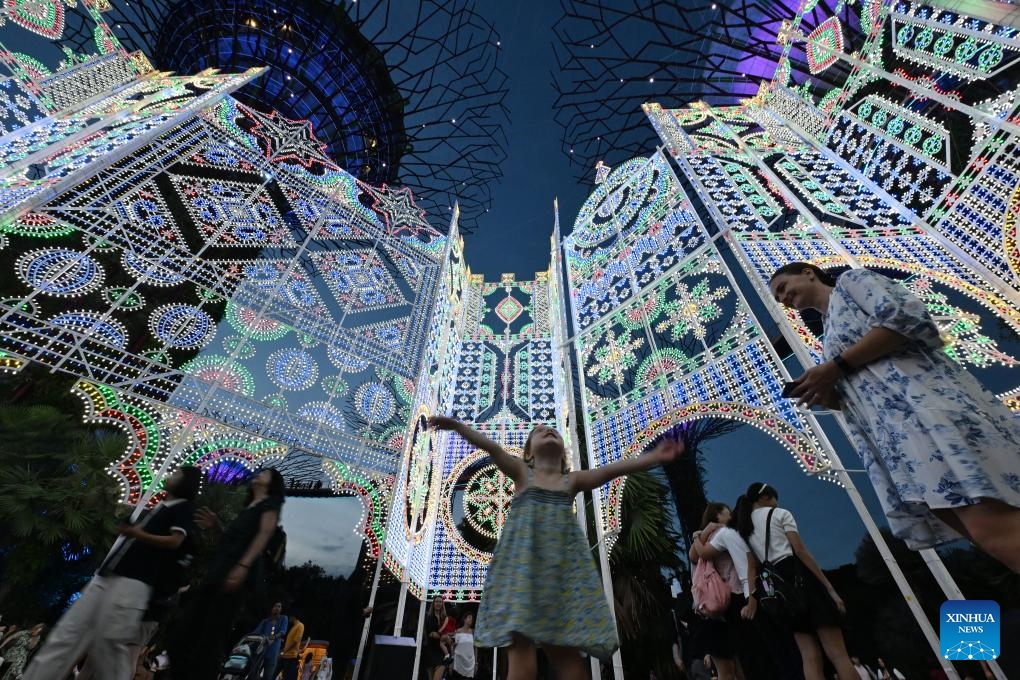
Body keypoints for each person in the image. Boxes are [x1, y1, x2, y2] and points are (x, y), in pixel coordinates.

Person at [769, 264, 1020, 571]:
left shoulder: (851, 282)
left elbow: (903, 316)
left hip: (922, 414)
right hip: (896, 438)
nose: (783, 297)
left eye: (782, 286)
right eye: (778, 297)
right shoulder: (828, 328)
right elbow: (857, 386)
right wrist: (827, 392)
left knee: (986, 522)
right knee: (972, 528)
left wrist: (835, 368)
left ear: (809, 273)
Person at [428, 416, 683, 680]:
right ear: (528, 453)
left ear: (562, 455)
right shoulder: (522, 473)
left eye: (554, 432)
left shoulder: (570, 481)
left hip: (557, 580)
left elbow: (613, 470)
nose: (548, 431)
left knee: (567, 659)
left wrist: (652, 457)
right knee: (522, 659)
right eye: (540, 431)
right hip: (522, 577)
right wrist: (456, 426)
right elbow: (491, 448)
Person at [25, 467, 201, 680]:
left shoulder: (182, 508)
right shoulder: (162, 506)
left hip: (132, 582)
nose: (169, 476)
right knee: (68, 633)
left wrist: (137, 533)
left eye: (176, 475)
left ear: (185, 483)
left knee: (107, 644)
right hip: (109, 574)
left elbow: (175, 540)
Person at [167, 467, 285, 679]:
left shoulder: (270, 505)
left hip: (233, 578)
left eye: (266, 473)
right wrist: (216, 526)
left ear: (273, 483)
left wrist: (243, 566)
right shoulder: (249, 507)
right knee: (185, 633)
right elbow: (233, 542)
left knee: (210, 638)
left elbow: (264, 535)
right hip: (218, 572)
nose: (259, 474)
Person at [738, 482, 855, 680]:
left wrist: (752, 598)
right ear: (765, 497)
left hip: (779, 588)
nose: (776, 504)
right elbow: (800, 551)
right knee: (838, 654)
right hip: (799, 576)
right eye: (775, 499)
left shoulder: (745, 529)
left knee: (809, 658)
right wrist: (830, 588)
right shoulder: (781, 514)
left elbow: (752, 568)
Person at [688, 502, 753, 680]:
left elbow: (693, 556)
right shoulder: (724, 533)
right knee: (737, 665)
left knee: (732, 667)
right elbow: (699, 554)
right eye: (727, 512)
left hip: (715, 608)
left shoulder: (709, 535)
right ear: (717, 514)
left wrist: (699, 534)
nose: (731, 515)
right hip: (732, 599)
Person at [252, 601, 288, 680]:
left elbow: (282, 632)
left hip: (273, 651)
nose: (277, 608)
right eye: (275, 606)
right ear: (271, 608)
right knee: (254, 672)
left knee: (268, 676)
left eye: (279, 606)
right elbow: (256, 633)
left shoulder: (283, 618)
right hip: (261, 650)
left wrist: (271, 638)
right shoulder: (265, 621)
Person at [422, 596, 450, 680]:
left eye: (440, 602)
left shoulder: (445, 618)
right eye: (436, 601)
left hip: (442, 652)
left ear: (442, 604)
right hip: (430, 651)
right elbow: (430, 634)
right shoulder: (428, 616)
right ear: (433, 603)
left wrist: (446, 637)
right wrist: (442, 636)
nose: (438, 603)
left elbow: (448, 633)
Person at [278, 613, 305, 680]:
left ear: (294, 617)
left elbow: (295, 641)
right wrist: (283, 651)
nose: (289, 618)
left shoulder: (300, 625)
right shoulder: (293, 627)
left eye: (290, 617)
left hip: (291, 657)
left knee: (286, 677)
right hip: (285, 656)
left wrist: (284, 650)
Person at [450, 613, 477, 680]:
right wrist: (452, 660)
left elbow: (475, 648)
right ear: (464, 619)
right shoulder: (458, 631)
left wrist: (476, 663)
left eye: (472, 618)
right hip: (459, 661)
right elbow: (453, 646)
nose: (471, 619)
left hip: (470, 663)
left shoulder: (473, 632)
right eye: (469, 617)